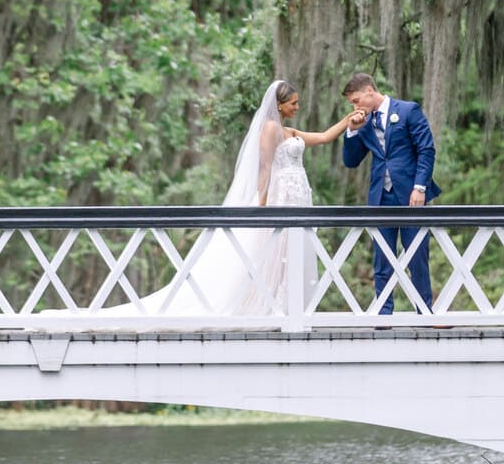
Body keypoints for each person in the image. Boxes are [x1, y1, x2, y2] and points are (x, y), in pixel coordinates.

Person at [112, 79, 359, 317]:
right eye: (293, 103)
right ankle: (271, 304)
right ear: (279, 104)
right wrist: (262, 206)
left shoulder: (287, 130)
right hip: (281, 197)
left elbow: (325, 137)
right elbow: (264, 168)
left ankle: (286, 307)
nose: (297, 107)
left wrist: (349, 120)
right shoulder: (270, 129)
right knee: (276, 251)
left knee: (290, 251)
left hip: (297, 197)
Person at [341, 73, 440, 315]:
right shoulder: (363, 123)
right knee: (382, 258)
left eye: (356, 100)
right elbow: (351, 161)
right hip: (380, 197)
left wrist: (420, 188)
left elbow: (426, 150)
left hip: (410, 195)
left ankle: (424, 312)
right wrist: (352, 131)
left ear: (369, 91)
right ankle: (384, 313)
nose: (355, 106)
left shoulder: (408, 111)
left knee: (417, 255)